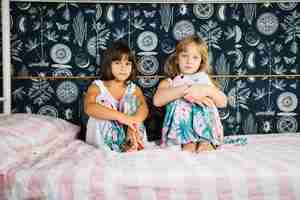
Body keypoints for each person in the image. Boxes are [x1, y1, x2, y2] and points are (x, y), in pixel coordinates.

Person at [153, 35, 227, 153]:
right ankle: (188, 142)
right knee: (179, 103)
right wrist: (187, 90)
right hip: (181, 132)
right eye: (184, 56)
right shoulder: (171, 82)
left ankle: (206, 140)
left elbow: (223, 102)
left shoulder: (204, 79)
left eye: (195, 57)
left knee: (206, 104)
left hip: (205, 130)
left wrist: (206, 90)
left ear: (201, 61)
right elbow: (157, 101)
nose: (189, 61)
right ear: (177, 59)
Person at [84, 41, 149, 153]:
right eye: (118, 63)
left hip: (128, 134)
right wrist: (122, 117)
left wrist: (132, 122)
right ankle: (114, 148)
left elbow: (144, 109)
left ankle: (133, 143)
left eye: (127, 64)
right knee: (102, 104)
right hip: (104, 141)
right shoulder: (98, 86)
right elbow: (89, 107)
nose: (123, 68)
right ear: (109, 64)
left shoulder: (133, 88)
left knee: (133, 103)